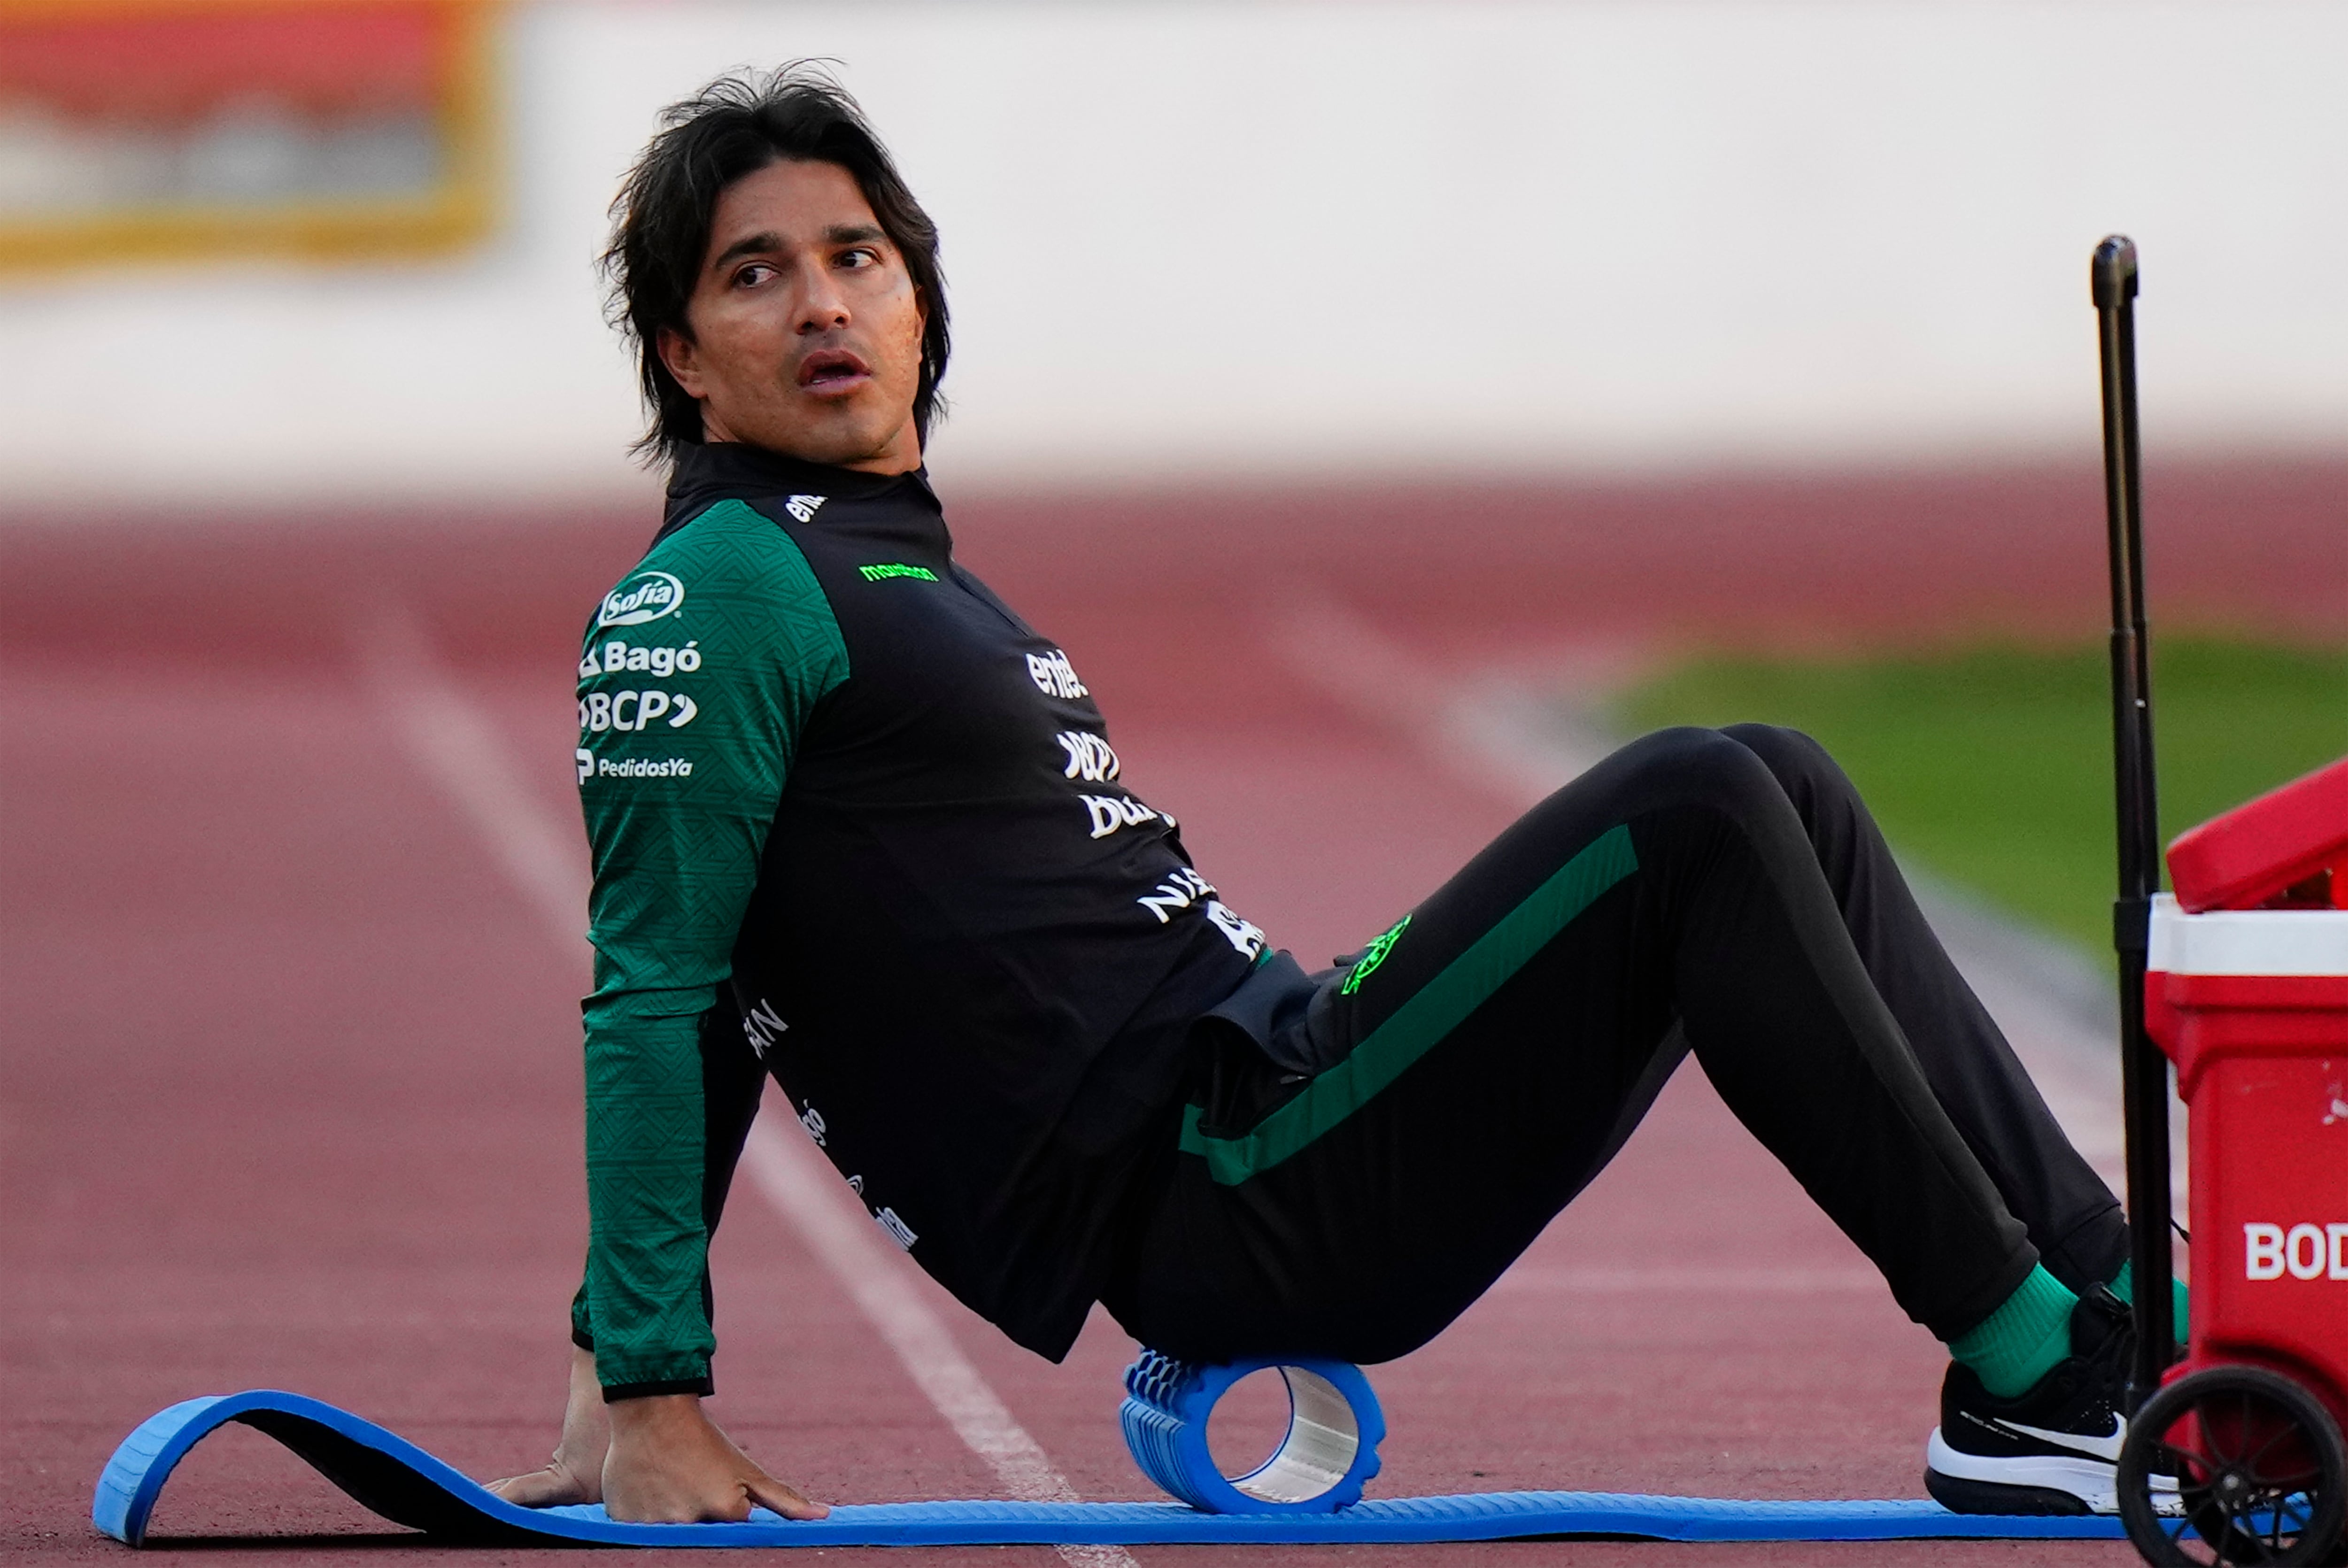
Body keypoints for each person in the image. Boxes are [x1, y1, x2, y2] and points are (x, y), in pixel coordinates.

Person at [490, 66, 2181, 1525]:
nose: (821, 305)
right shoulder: (719, 587)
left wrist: (601, 1358)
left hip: (1273, 1070)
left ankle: (2122, 1302)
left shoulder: (886, 566)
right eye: (755, 276)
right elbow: (667, 993)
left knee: (1777, 780)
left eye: (856, 257)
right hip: (1220, 1185)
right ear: (685, 360)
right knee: (1697, 808)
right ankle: (2034, 1375)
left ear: (920, 294)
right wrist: (641, 1381)